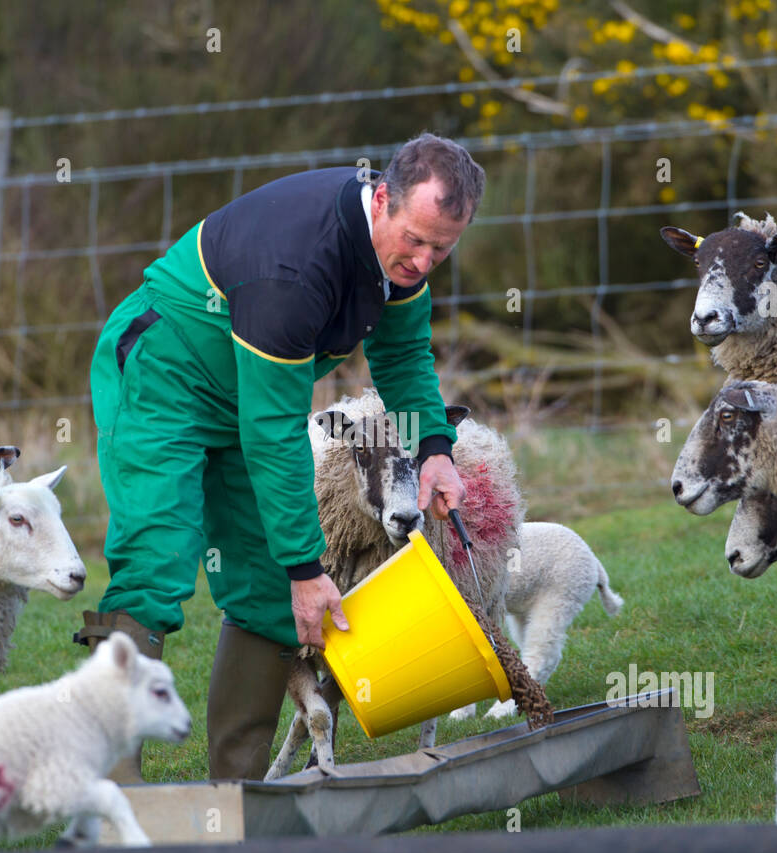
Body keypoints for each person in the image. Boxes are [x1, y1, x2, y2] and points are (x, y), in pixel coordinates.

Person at [78, 132, 485, 781]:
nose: (424, 259)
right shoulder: (296, 267)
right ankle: (112, 790)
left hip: (243, 391)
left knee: (267, 592)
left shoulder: (399, 262)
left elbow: (403, 356)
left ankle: (235, 798)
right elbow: (273, 433)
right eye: (415, 239)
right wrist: (306, 566)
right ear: (382, 199)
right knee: (157, 565)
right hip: (165, 372)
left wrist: (436, 449)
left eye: (443, 247)